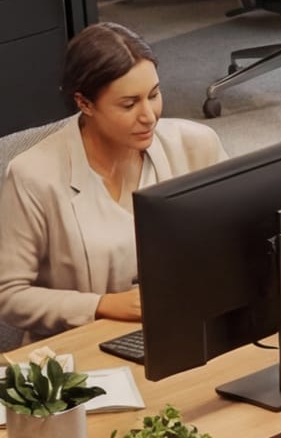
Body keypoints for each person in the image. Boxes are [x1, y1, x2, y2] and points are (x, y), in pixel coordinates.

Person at [0, 24, 222, 335]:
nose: (149, 115)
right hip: (85, 346)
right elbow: (9, 295)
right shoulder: (34, 175)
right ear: (85, 103)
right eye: (129, 104)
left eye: (154, 95)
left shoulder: (196, 144)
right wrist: (101, 304)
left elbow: (233, 238)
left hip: (184, 322)